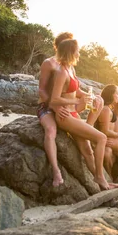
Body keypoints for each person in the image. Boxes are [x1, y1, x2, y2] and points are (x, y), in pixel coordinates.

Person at [49, 39, 118, 191]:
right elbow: (54, 99)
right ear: (70, 52)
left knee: (87, 149)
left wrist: (89, 96)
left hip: (73, 112)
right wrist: (76, 100)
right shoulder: (61, 72)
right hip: (65, 116)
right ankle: (100, 176)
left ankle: (101, 181)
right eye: (77, 50)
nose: (79, 53)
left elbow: (76, 91)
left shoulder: (71, 70)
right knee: (101, 138)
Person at [37, 32, 73, 187]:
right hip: (46, 106)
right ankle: (56, 171)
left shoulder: (69, 66)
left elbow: (74, 90)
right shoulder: (49, 63)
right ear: (58, 46)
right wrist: (55, 107)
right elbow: (41, 90)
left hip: (64, 107)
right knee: (51, 131)